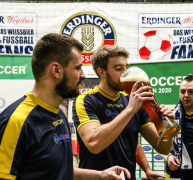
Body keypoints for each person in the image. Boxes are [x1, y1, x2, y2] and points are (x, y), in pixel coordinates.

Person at [0, 33, 130, 180]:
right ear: (56, 70)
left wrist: (100, 174)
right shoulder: (16, 121)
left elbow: (59, 170)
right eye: (78, 68)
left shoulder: (59, 113)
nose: (83, 75)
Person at [72, 45, 174, 180]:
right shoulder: (86, 100)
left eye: (127, 67)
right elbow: (94, 143)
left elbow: (162, 148)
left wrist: (168, 128)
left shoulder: (133, 100)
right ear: (102, 72)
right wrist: (130, 110)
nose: (126, 73)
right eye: (119, 69)